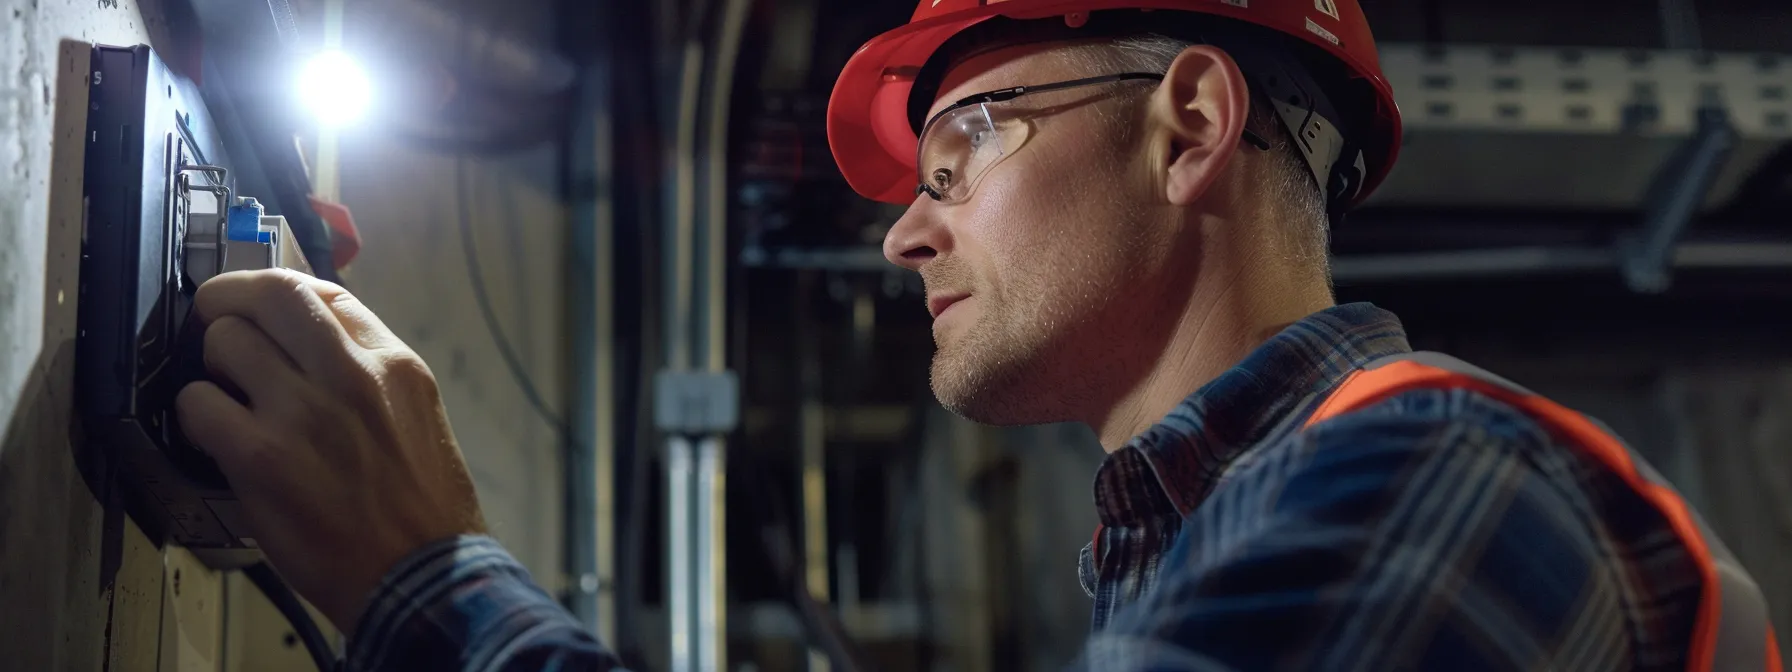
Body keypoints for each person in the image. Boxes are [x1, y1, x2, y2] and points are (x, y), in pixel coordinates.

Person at [177, 0, 1781, 670]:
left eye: (969, 149)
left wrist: (426, 583)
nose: (906, 225)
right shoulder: (1210, 546)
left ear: (1192, 122)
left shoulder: (1441, 481)